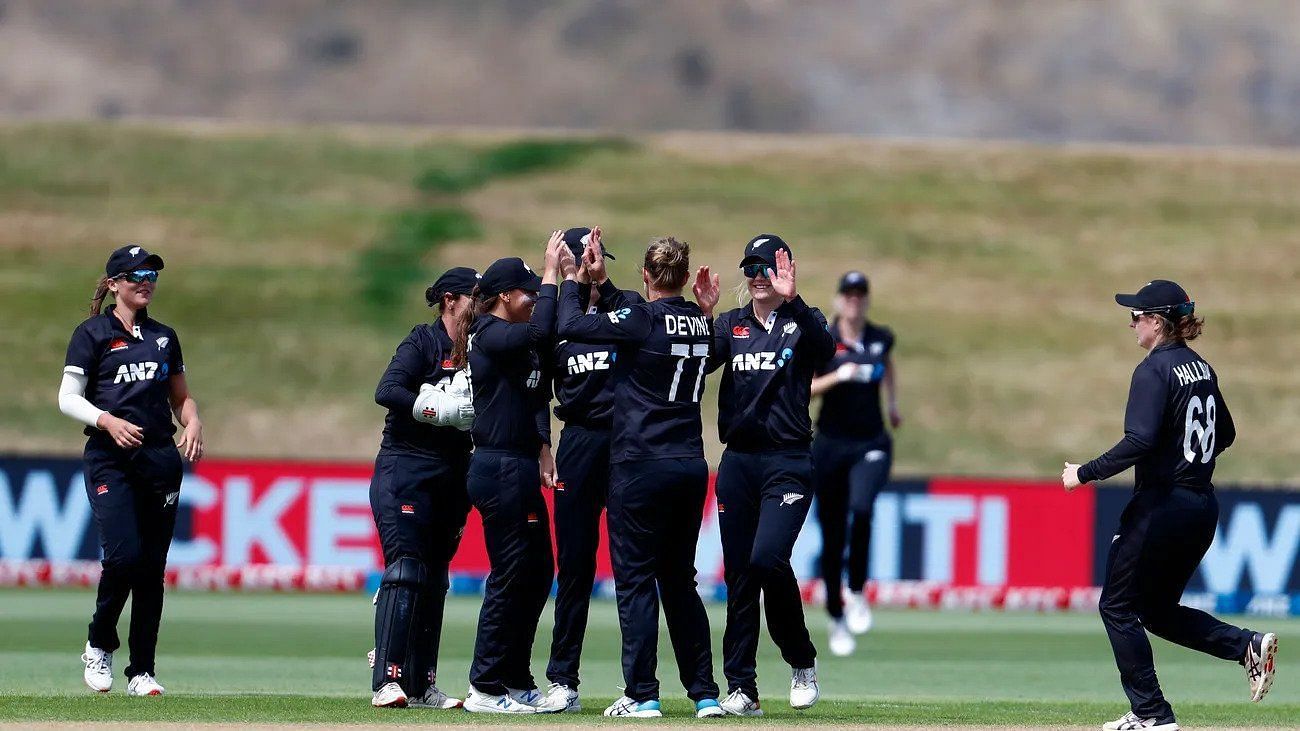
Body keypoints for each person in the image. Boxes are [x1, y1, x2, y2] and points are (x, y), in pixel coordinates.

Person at [1062, 280, 1276, 731]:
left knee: (1116, 607)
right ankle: (1245, 647)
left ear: (1157, 322)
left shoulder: (1152, 370)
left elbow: (1138, 440)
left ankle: (1151, 713)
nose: (1132, 324)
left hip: (1161, 506)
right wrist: (1188, 463)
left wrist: (1085, 473)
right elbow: (1228, 433)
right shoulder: (1201, 368)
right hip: (1201, 507)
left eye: (1136, 317)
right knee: (1155, 610)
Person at [554, 233, 725, 719]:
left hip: (640, 463)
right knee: (680, 581)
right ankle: (706, 694)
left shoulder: (642, 318)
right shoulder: (698, 320)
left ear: (645, 277)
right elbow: (659, 333)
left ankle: (643, 693)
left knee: (633, 580)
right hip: (690, 465)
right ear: (687, 278)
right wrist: (607, 285)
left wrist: (571, 279)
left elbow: (572, 323)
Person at [700, 233, 834, 716]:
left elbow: (826, 352)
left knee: (765, 559)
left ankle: (801, 660)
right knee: (738, 575)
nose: (757, 276)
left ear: (785, 271)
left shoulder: (804, 320)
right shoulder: (731, 325)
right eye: (750, 268)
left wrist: (794, 300)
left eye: (766, 267)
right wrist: (702, 316)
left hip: (788, 461)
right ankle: (742, 688)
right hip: (739, 462)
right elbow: (695, 364)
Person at [60, 245, 203, 697]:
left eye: (153, 275)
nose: (147, 281)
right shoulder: (92, 334)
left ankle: (141, 670)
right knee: (122, 557)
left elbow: (181, 398)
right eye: (137, 273)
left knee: (150, 570)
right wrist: (105, 420)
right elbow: (67, 397)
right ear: (114, 282)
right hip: (110, 458)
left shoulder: (164, 336)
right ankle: (99, 644)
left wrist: (194, 420)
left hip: (160, 459)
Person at [452, 234, 566, 714]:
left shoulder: (518, 344)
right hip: (497, 465)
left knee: (539, 571)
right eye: (528, 292)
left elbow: (537, 394)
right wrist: (553, 274)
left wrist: (543, 443)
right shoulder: (491, 335)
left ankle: (516, 678)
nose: (535, 299)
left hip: (517, 464)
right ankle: (484, 685)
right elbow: (542, 331)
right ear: (504, 297)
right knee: (511, 573)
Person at [367, 267, 479, 709]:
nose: (482, 305)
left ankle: (420, 683)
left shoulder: (479, 346)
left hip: (453, 474)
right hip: (406, 468)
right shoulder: (423, 341)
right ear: (450, 299)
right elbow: (387, 390)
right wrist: (435, 407)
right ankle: (386, 680)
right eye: (475, 297)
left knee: (434, 579)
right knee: (407, 569)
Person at [542, 227, 640, 713]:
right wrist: (543, 444)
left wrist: (597, 284)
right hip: (577, 441)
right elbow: (535, 387)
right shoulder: (557, 316)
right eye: (588, 260)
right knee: (575, 567)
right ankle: (563, 681)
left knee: (630, 569)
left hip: (627, 444)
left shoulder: (625, 309)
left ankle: (638, 688)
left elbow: (641, 315)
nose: (596, 269)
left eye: (602, 261)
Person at [809, 270, 901, 656]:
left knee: (862, 509)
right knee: (832, 537)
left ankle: (858, 590)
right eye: (848, 293)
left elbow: (887, 367)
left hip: (871, 441)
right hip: (829, 444)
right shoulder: (824, 340)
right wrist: (839, 377)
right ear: (838, 298)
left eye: (860, 293)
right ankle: (835, 617)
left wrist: (893, 403)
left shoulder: (881, 338)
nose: (854, 300)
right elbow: (807, 388)